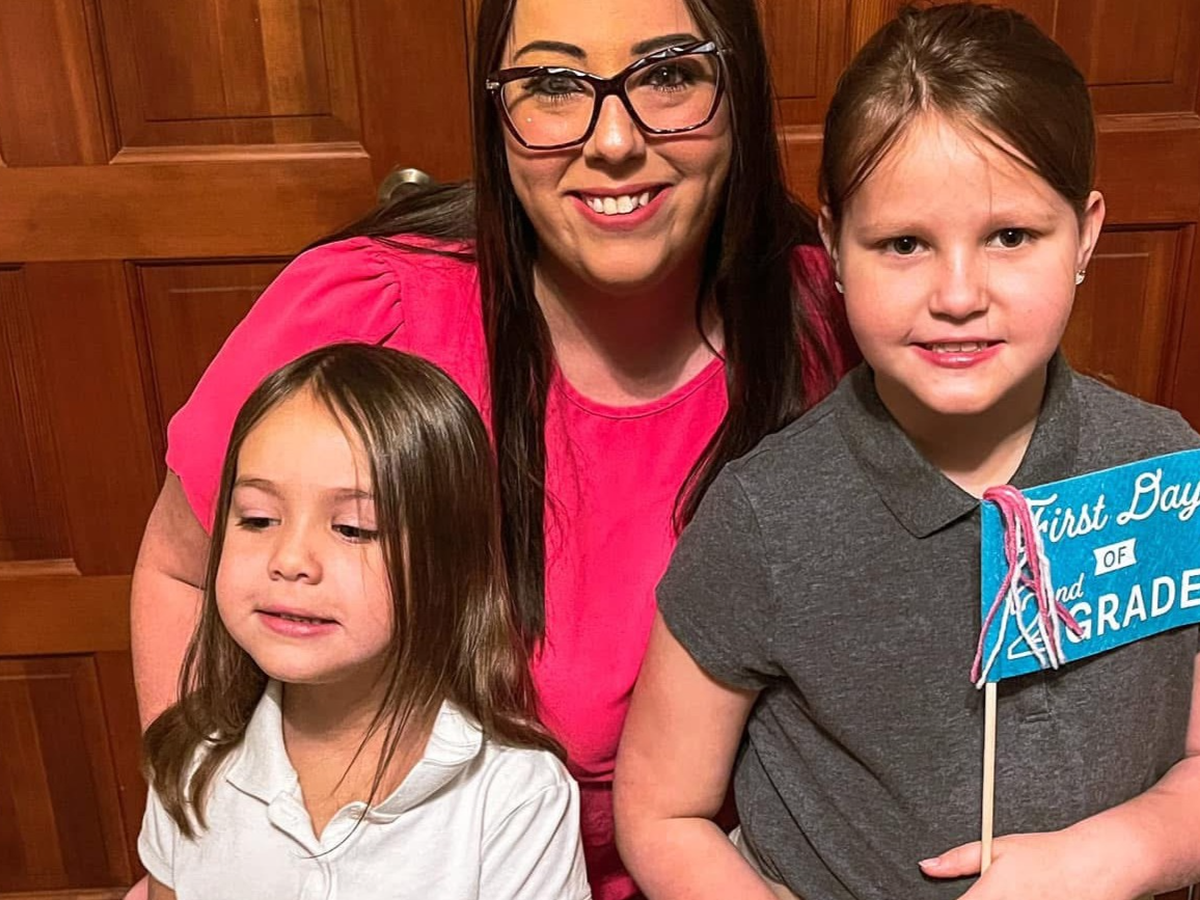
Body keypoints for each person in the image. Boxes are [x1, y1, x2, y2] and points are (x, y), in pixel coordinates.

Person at [129, 1, 857, 897]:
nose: (614, 141)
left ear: (738, 87)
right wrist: (200, 850)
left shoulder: (840, 317)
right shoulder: (364, 308)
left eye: (670, 74)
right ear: (494, 110)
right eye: (551, 83)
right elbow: (181, 572)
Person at [615, 4, 1200, 899]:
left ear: (1085, 234)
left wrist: (1112, 855)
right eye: (902, 244)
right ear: (833, 247)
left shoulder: (1167, 470)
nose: (957, 295)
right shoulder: (767, 517)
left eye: (1011, 236)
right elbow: (662, 812)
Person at [138, 343, 591, 899]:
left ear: (446, 566)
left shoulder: (516, 797)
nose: (290, 560)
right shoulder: (191, 762)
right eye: (258, 519)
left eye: (352, 528)